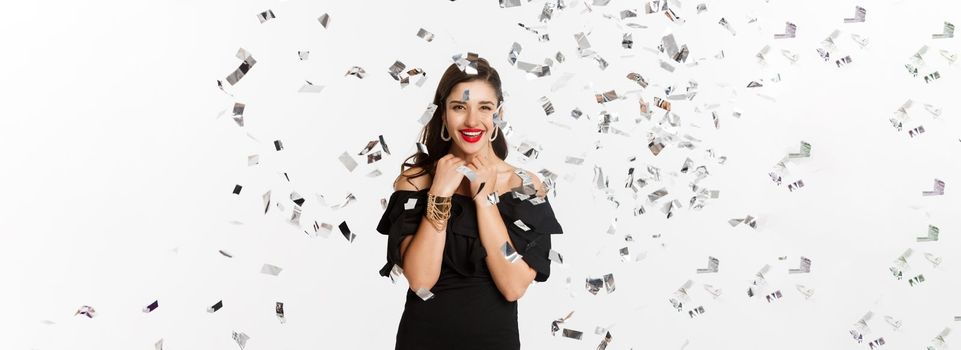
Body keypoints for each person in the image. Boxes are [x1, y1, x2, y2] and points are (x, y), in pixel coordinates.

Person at [376, 55, 564, 350]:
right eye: (459, 107)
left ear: (498, 113)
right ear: (443, 114)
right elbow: (422, 281)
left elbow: (513, 286)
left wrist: (485, 201)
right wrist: (439, 193)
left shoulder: (524, 186)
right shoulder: (416, 181)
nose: (472, 121)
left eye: (484, 108)